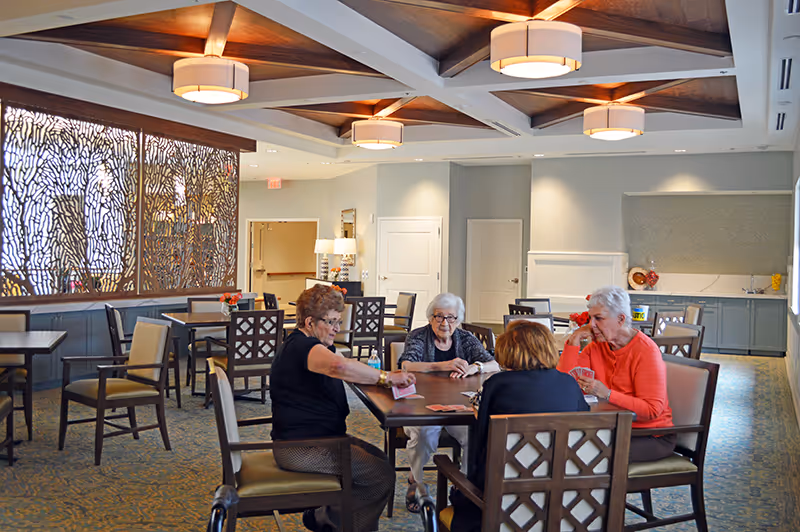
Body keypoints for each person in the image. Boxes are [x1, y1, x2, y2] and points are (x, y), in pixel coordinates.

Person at [270, 284, 416, 532]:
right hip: (301, 448)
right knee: (381, 476)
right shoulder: (301, 347)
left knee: (380, 461)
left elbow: (344, 366)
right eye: (332, 321)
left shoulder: (313, 346)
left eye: (339, 321)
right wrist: (386, 377)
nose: (337, 328)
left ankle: (326, 517)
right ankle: (331, 521)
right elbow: (339, 367)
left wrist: (376, 376)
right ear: (309, 322)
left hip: (321, 439)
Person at [449, 321, 589, 532]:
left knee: (456, 483)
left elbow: (482, 443)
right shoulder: (569, 384)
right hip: (562, 502)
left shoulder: (497, 384)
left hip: (503, 501)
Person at [397, 292, 499, 513]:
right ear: (430, 318)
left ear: (458, 319)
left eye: (450, 317)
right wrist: (444, 365)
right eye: (439, 317)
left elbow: (494, 365)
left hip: (458, 407)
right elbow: (406, 366)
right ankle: (416, 480)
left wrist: (475, 367)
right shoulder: (418, 336)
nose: (445, 323)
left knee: (475, 434)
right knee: (424, 435)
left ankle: (462, 488)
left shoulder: (465, 338)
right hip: (422, 406)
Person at [557, 285, 676, 463]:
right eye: (590, 318)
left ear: (620, 319)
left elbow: (652, 410)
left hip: (649, 435)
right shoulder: (597, 346)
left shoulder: (646, 351)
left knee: (581, 455)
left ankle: (603, 491)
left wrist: (607, 394)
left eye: (599, 318)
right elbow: (564, 384)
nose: (592, 325)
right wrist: (574, 339)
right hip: (611, 428)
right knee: (560, 447)